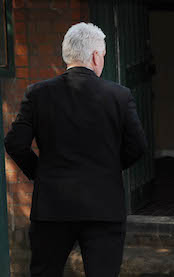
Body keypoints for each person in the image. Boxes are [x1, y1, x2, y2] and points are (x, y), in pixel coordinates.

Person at [4, 22, 147, 276]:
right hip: (103, 206)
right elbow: (137, 146)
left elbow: (15, 143)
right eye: (102, 55)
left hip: (52, 206)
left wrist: (40, 172)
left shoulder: (37, 94)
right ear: (95, 56)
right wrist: (110, 168)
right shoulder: (119, 96)